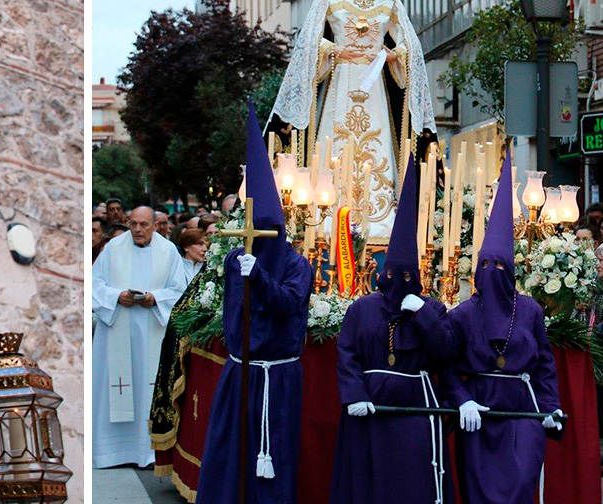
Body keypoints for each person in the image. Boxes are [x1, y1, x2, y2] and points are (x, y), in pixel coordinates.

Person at [267, 0, 437, 240]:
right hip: (343, 81)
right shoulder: (331, 0)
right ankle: (330, 218)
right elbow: (309, 42)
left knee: (376, 142)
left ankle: (379, 221)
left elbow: (410, 46)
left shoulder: (389, 5)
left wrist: (390, 54)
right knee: (337, 141)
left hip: (373, 84)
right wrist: (333, 50)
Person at [196, 103, 313, 503]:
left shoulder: (298, 266)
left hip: (278, 378)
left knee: (275, 454)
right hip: (242, 372)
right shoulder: (236, 261)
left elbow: (288, 305)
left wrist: (258, 276)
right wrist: (240, 269)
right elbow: (236, 315)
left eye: (266, 233)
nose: (257, 241)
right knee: (234, 455)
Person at [330, 155, 455, 504]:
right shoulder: (362, 309)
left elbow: (446, 352)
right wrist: (354, 395)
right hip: (369, 409)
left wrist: (423, 316)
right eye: (392, 275)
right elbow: (348, 356)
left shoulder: (430, 308)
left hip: (415, 411)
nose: (396, 282)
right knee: (368, 482)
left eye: (406, 277)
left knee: (410, 485)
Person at [442, 149, 563, 504]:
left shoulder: (529, 311)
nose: (491, 271)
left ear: (511, 272)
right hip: (478, 414)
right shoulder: (463, 314)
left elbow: (544, 365)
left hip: (522, 412)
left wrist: (550, 406)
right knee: (479, 491)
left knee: (521, 481)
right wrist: (462, 400)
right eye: (485, 264)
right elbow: (446, 367)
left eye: (499, 265)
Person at [92, 206, 188, 468]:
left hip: (152, 331)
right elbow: (93, 284)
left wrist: (156, 298)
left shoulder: (168, 251)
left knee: (147, 383)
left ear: (155, 226)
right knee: (118, 384)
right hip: (117, 329)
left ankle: (147, 451)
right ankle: (112, 452)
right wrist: (116, 297)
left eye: (143, 224)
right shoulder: (112, 248)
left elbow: (181, 290)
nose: (137, 229)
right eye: (133, 224)